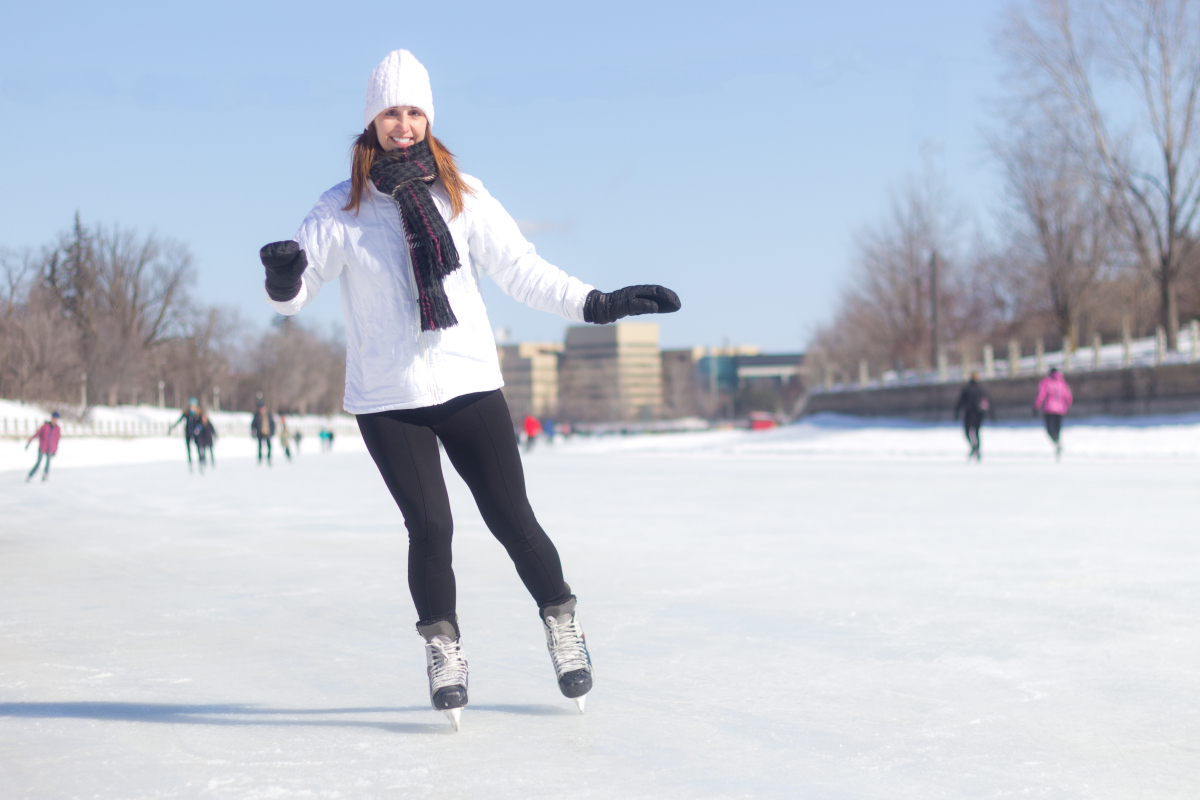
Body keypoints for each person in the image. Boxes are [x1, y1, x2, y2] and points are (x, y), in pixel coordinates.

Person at [256, 49, 680, 730]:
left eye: (414, 111)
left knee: (511, 518)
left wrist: (597, 304)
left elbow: (522, 270)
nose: (403, 124)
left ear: (428, 118)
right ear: (371, 121)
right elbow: (297, 292)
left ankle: (562, 623)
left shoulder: (462, 194)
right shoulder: (341, 207)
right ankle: (443, 649)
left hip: (468, 381)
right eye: (391, 112)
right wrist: (282, 278)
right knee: (430, 527)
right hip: (389, 398)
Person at [1034, 367, 1073, 459]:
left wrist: (1036, 406)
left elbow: (1041, 395)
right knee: (1057, 429)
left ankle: (1056, 442)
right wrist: (1068, 405)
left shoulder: (1046, 382)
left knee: (1050, 429)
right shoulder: (1062, 383)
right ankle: (1058, 444)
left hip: (1049, 409)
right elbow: (1068, 395)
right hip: (1060, 410)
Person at [954, 372, 994, 461]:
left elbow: (960, 402)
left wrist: (956, 413)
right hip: (979, 414)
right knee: (976, 433)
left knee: (967, 433)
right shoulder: (981, 389)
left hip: (969, 414)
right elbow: (988, 402)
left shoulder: (967, 389)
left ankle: (974, 447)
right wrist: (991, 414)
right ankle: (976, 449)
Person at [25, 411, 62, 483]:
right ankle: (30, 475)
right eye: (54, 419)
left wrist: (55, 449)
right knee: (38, 462)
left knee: (48, 462)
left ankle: (45, 475)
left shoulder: (57, 429)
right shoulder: (45, 426)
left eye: (56, 419)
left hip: (50, 448)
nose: (54, 420)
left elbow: (57, 440)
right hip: (43, 446)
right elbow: (37, 433)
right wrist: (30, 440)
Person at [168, 398, 201, 472]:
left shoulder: (198, 414)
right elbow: (179, 420)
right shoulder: (187, 414)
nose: (192, 407)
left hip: (196, 434)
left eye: (193, 406)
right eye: (191, 406)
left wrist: (198, 429)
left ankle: (200, 461)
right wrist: (173, 427)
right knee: (188, 449)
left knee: (198, 447)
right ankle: (190, 463)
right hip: (188, 433)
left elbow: (201, 423)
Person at [251, 400, 275, 466]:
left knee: (269, 447)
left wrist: (272, 432)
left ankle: (269, 458)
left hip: (267, 433)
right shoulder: (257, 415)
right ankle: (260, 459)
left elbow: (272, 424)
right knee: (260, 447)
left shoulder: (268, 414)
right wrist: (253, 432)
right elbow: (253, 424)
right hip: (260, 433)